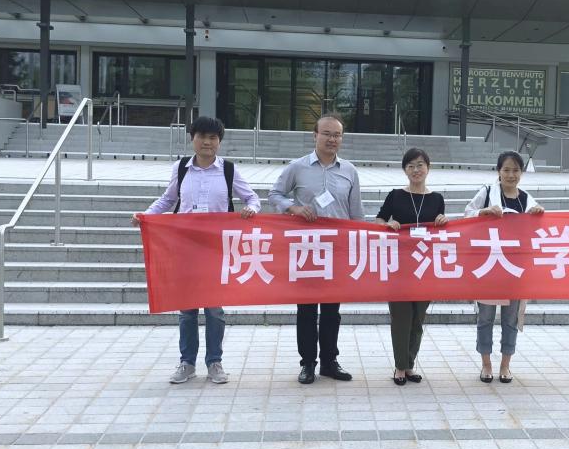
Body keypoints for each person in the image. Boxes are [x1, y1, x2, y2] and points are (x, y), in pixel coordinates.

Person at [133, 116, 260, 385]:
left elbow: (251, 197)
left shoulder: (228, 170)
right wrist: (145, 215)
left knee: (214, 309)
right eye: (201, 136)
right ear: (192, 139)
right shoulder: (181, 169)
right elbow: (168, 199)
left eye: (213, 138)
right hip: (184, 248)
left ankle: (214, 362)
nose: (207, 142)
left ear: (219, 142)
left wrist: (251, 209)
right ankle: (187, 363)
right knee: (187, 309)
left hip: (216, 250)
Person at [268, 113, 365, 385]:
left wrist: (360, 243)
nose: (332, 139)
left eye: (337, 135)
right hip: (307, 250)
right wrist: (294, 208)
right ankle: (308, 363)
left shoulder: (349, 171)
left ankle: (330, 362)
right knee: (307, 309)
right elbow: (274, 194)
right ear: (315, 135)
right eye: (327, 134)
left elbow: (356, 213)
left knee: (332, 311)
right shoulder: (297, 167)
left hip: (337, 251)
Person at [464, 150, 544, 383]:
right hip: (489, 266)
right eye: (506, 170)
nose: (511, 175)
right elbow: (467, 214)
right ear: (498, 171)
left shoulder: (526, 198)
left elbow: (537, 227)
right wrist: (484, 212)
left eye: (515, 170)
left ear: (521, 173)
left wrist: (538, 214)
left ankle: (505, 365)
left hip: (515, 269)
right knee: (485, 318)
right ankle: (486, 364)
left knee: (511, 320)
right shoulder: (487, 192)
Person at [376, 148, 449, 385]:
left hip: (425, 266)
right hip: (399, 266)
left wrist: (443, 221)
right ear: (404, 170)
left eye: (420, 165)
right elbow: (379, 220)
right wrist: (387, 224)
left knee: (418, 319)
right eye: (410, 166)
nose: (416, 170)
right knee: (401, 318)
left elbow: (441, 227)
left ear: (428, 167)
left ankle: (409, 364)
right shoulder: (395, 195)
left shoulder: (437, 198)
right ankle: (400, 366)